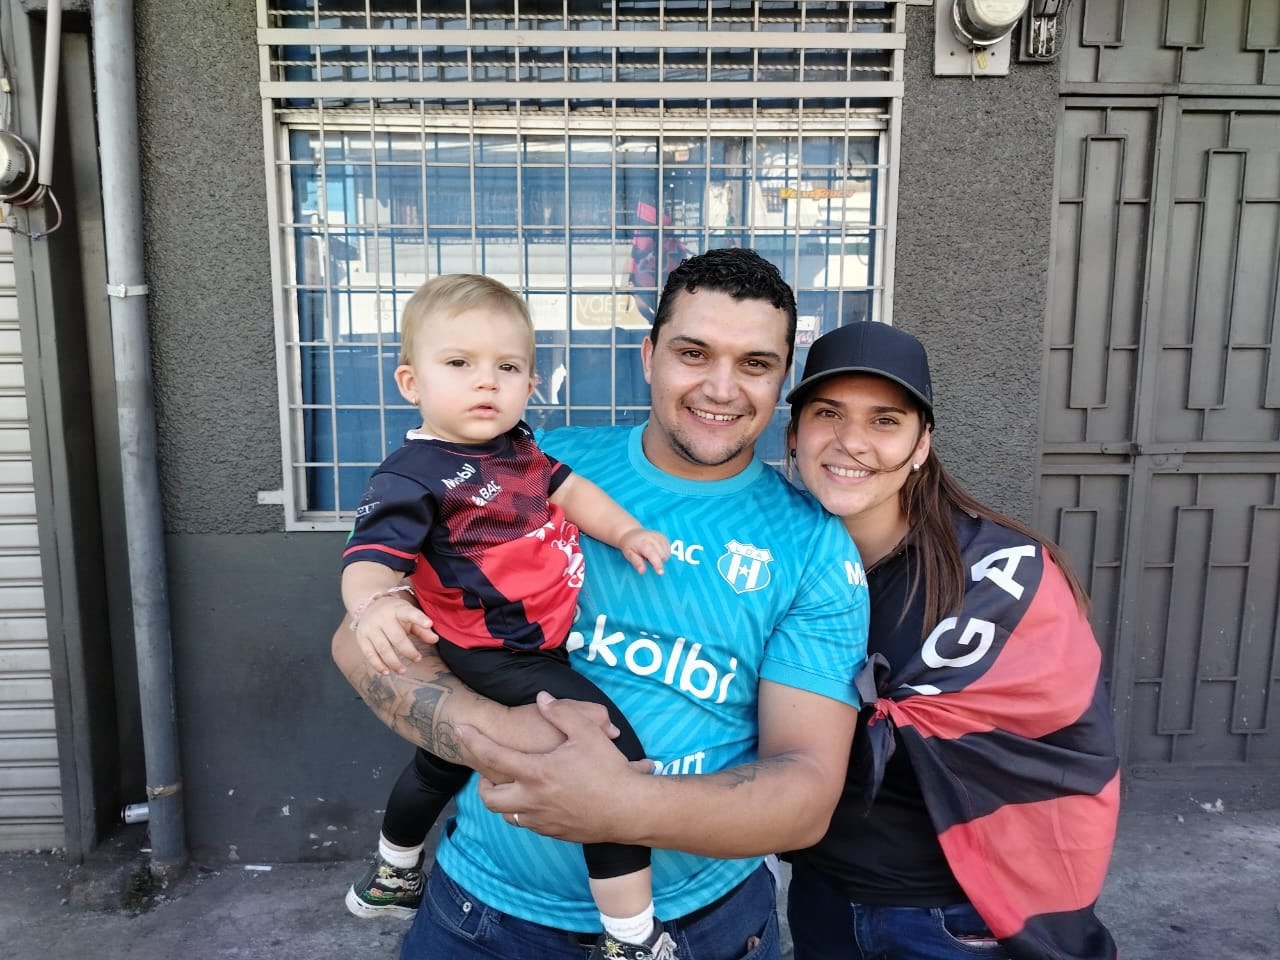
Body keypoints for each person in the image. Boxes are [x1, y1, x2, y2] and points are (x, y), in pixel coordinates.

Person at [332, 247, 870, 960]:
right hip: (480, 916)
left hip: (704, 927)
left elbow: (804, 795)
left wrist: (614, 801)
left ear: (783, 378)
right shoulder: (516, 467)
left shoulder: (812, 546)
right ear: (648, 356)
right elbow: (355, 639)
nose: (721, 386)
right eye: (693, 352)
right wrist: (484, 731)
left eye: (755, 364)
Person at [340, 274, 676, 959]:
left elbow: (571, 489)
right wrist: (371, 604)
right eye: (459, 364)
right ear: (412, 382)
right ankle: (632, 939)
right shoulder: (413, 474)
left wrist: (627, 533)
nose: (485, 381)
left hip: (529, 643)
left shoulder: (518, 448)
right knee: (610, 756)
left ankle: (392, 875)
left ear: (530, 385)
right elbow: (370, 557)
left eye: (507, 367)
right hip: (494, 652)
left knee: (438, 765)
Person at [782, 321, 1120, 960]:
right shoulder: (772, 561)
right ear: (795, 432)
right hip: (821, 897)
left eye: (885, 421)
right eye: (828, 414)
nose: (851, 441)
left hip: (954, 919)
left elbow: (1068, 750)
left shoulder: (1003, 576)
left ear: (921, 444)